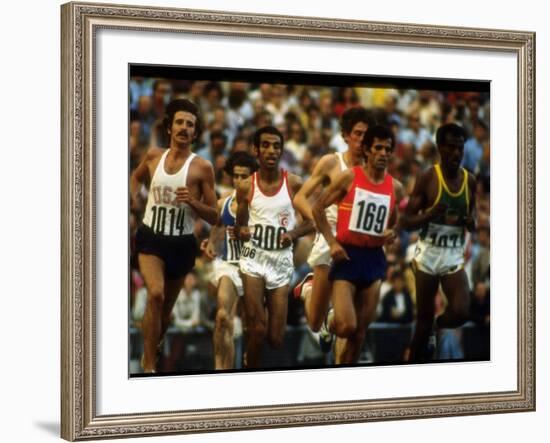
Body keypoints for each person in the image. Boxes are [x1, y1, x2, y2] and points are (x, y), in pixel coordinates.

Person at [130, 98, 218, 373]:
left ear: (195, 132)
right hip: (151, 238)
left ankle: (156, 342)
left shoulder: (202, 167)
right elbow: (136, 177)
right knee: (154, 295)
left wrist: (193, 201)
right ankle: (148, 366)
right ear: (170, 127)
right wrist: (133, 198)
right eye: (179, 122)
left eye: (190, 124)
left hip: (181, 244)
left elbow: (215, 215)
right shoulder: (153, 155)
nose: (184, 128)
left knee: (164, 314)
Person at [313, 125, 404, 364]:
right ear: (367, 150)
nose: (383, 153)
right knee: (346, 326)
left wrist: (391, 233)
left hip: (374, 258)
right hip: (348, 255)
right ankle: (328, 321)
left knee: (359, 333)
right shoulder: (349, 177)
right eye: (378, 148)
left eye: (388, 149)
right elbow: (317, 208)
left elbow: (394, 220)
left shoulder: (395, 187)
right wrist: (331, 242)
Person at [292, 107, 376, 351]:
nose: (361, 140)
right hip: (329, 240)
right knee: (314, 322)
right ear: (346, 135)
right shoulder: (331, 162)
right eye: (357, 134)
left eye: (366, 135)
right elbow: (300, 198)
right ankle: (308, 290)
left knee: (351, 322)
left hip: (358, 245)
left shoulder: (373, 170)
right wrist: (321, 226)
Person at [234, 126, 313, 368]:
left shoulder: (295, 183)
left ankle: (260, 320)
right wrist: (243, 231)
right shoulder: (246, 186)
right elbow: (239, 226)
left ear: (281, 151)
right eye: (266, 145)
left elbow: (312, 221)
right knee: (257, 330)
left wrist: (293, 232)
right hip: (254, 258)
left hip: (280, 261)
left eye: (276, 146)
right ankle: (250, 369)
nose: (271, 150)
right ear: (256, 150)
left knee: (276, 338)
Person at [400, 123, 476, 362]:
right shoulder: (427, 177)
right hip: (429, 254)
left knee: (462, 312)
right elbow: (407, 222)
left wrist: (470, 222)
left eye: (460, 148)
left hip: (453, 254)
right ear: (440, 148)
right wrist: (429, 214)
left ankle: (437, 325)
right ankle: (410, 365)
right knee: (421, 325)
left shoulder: (470, 181)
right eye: (451, 148)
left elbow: (471, 219)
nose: (456, 154)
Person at [201, 151, 258, 369]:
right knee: (223, 317)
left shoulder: (262, 205)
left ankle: (243, 367)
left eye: (245, 176)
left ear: (253, 177)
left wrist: (250, 235)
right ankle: (220, 369)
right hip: (230, 266)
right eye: (236, 176)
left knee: (252, 329)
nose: (239, 181)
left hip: (255, 268)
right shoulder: (223, 202)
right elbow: (217, 227)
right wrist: (211, 244)